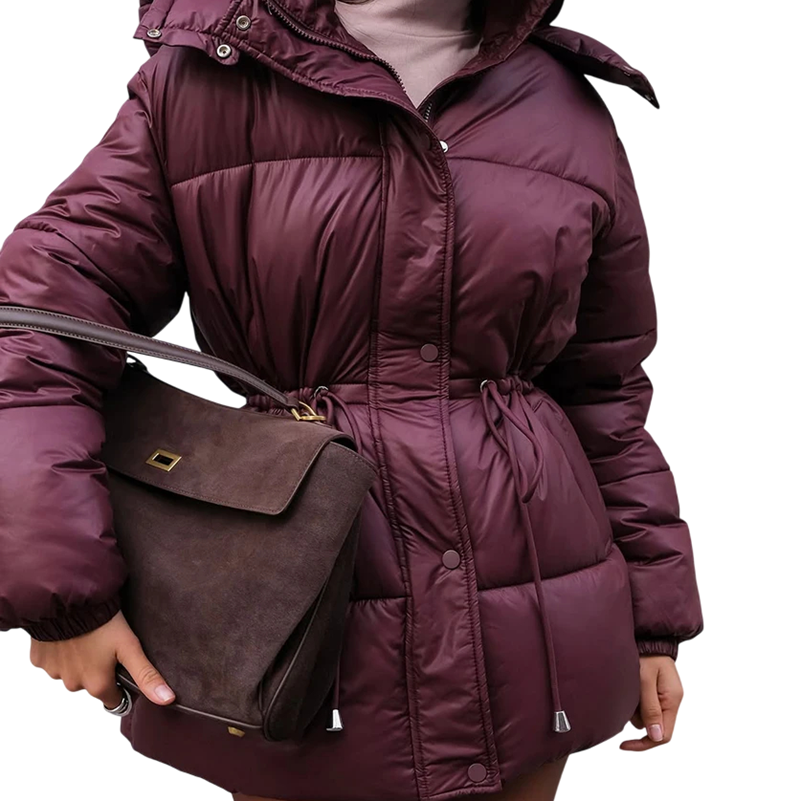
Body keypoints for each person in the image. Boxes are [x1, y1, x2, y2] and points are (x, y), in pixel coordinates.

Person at [0, 1, 704, 800]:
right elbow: (31, 331)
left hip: (537, 642)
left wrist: (653, 618)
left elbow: (604, 393)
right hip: (301, 635)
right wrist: (65, 591)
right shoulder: (208, 76)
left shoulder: (564, 103)